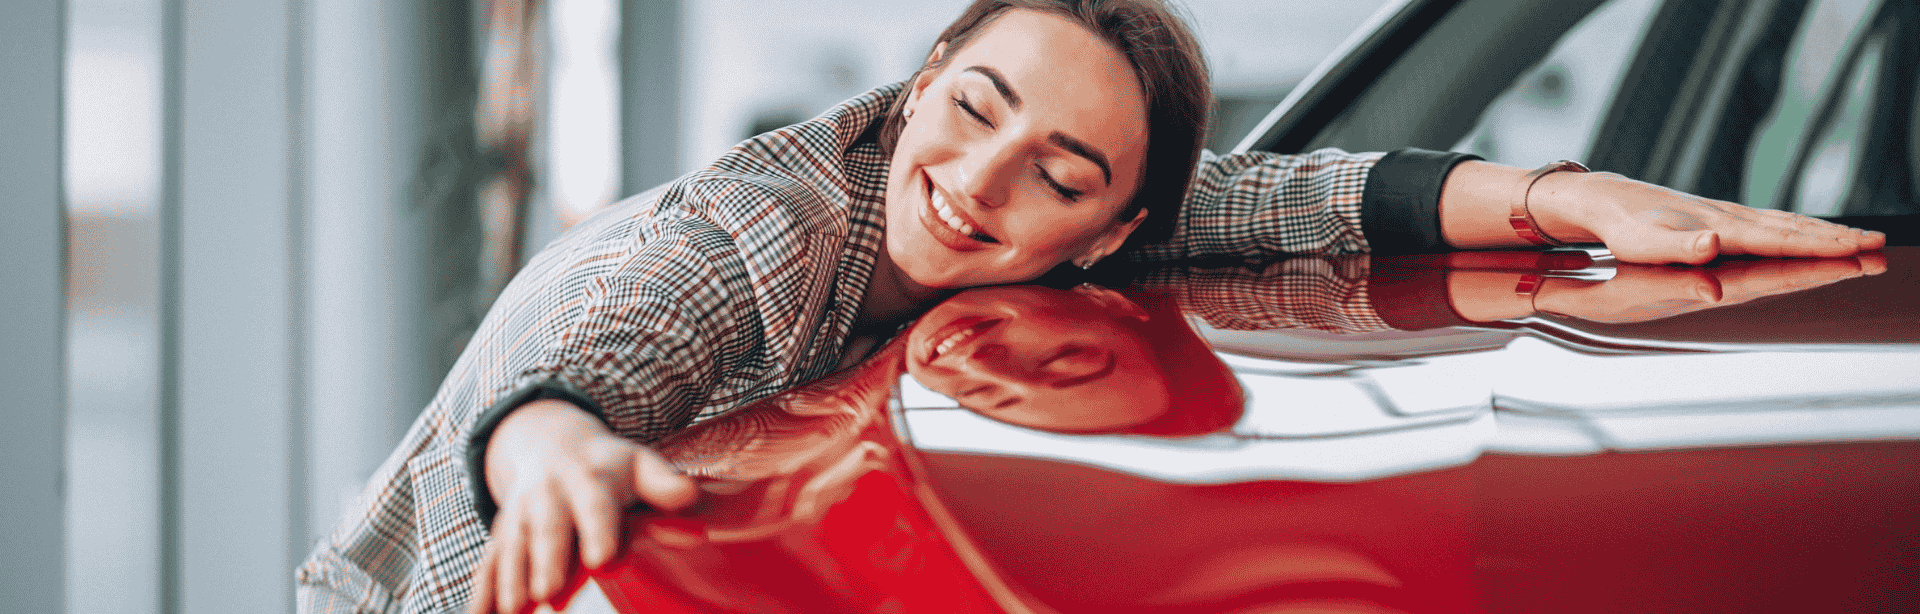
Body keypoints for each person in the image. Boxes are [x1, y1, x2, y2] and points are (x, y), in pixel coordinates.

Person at [295, 1, 1887, 612]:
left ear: (1119, 222)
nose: (981, 179)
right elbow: (608, 356)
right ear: (923, 79)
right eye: (972, 105)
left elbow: (1302, 201)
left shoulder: (1111, 231)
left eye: (1058, 170)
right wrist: (553, 441)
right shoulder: (760, 235)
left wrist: (1560, 197)